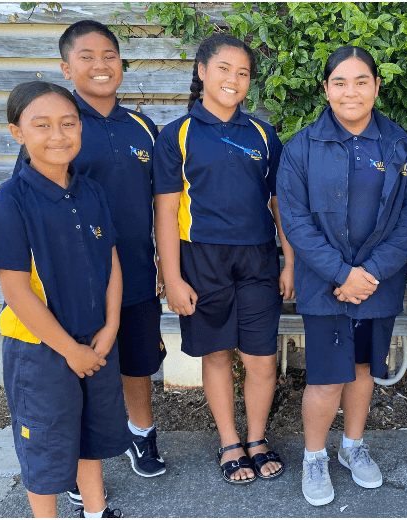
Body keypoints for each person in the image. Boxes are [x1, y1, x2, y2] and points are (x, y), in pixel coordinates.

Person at [11, 20, 167, 488]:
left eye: (109, 56)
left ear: (121, 64)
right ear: (65, 67)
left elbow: (160, 200)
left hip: (135, 272)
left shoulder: (143, 126)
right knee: (79, 371)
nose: (100, 65)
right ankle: (79, 467)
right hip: (74, 285)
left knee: (137, 361)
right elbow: (32, 205)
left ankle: (142, 433)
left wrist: (164, 261)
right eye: (86, 56)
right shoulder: (60, 124)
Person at [276, 45, 407, 506]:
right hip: (325, 284)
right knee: (325, 377)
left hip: (376, 286)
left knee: (363, 370)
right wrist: (343, 272)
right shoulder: (301, 147)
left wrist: (369, 274)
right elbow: (295, 221)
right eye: (339, 82)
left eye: (362, 81)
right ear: (325, 89)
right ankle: (315, 456)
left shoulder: (401, 147)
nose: (351, 91)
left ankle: (353, 448)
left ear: (378, 87)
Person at [152, 33, 293, 485]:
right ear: (201, 72)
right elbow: (167, 211)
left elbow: (278, 204)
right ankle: (230, 442)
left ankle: (256, 439)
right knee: (215, 354)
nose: (234, 79)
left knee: (260, 358)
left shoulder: (262, 134)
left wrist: (288, 261)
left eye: (243, 72)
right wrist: (171, 276)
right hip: (201, 258)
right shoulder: (177, 134)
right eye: (224, 69)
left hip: (257, 259)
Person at [0, 81, 128, 518]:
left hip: (96, 342)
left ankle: (96, 510)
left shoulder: (91, 191)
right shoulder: (11, 200)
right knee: (46, 444)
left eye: (68, 123)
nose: (58, 135)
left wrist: (110, 326)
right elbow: (15, 291)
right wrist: (70, 351)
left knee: (91, 434)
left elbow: (113, 263)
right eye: (41, 125)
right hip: (42, 353)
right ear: (17, 132)